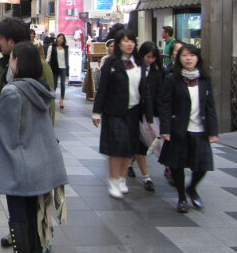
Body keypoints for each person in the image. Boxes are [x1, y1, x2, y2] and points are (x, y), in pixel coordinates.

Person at [0, 18, 56, 253]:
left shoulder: (40, 66)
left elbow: (47, 108)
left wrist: (43, 140)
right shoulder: (4, 64)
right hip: (15, 141)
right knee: (24, 203)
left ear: (11, 41)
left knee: (33, 203)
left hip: (29, 144)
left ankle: (37, 244)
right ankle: (25, 244)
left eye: (0, 38)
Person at [0, 42, 68, 253]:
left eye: (12, 59)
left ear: (18, 62)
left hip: (19, 164)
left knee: (17, 216)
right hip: (42, 162)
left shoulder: (12, 91)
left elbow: (6, 136)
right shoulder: (40, 88)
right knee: (33, 213)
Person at [159, 44, 219, 213]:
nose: (188, 58)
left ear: (197, 58)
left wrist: (213, 131)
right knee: (177, 165)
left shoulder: (204, 79)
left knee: (203, 166)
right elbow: (165, 105)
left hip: (200, 129)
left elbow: (210, 106)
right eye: (185, 55)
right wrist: (165, 128)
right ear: (179, 58)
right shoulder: (172, 79)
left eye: (192, 55)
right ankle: (182, 198)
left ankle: (191, 188)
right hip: (180, 129)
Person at [92, 29, 146, 199]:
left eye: (132, 41)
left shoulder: (139, 63)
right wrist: (96, 112)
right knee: (116, 145)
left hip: (134, 110)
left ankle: (122, 177)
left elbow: (146, 89)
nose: (129, 44)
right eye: (125, 41)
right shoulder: (111, 63)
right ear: (118, 44)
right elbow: (102, 89)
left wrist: (149, 114)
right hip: (114, 110)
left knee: (130, 147)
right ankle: (113, 178)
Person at [126, 41, 163, 192]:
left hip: (152, 112)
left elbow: (161, 92)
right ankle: (146, 176)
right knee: (141, 145)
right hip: (137, 112)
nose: (150, 60)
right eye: (148, 56)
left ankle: (128, 163)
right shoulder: (135, 68)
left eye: (153, 57)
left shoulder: (158, 71)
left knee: (148, 143)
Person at [46, 33, 69, 109]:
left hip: (63, 67)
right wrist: (45, 64)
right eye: (60, 38)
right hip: (55, 67)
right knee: (54, 84)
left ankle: (61, 100)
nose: (61, 40)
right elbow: (48, 57)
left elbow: (67, 59)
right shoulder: (52, 47)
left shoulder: (65, 48)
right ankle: (52, 98)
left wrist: (68, 70)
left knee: (63, 84)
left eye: (62, 38)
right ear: (57, 38)